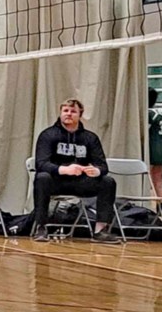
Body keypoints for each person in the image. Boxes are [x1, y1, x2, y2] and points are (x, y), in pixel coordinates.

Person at [31, 99, 122, 244]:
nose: (69, 114)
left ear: (80, 115)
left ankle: (100, 230)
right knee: (42, 177)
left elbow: (103, 166)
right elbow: (41, 164)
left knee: (107, 181)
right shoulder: (48, 135)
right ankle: (41, 227)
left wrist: (95, 171)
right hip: (57, 181)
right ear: (60, 113)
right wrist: (65, 170)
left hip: (80, 181)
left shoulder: (90, 138)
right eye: (65, 111)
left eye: (73, 111)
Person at [147, 87, 162, 214]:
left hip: (152, 148)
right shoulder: (159, 113)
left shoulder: (148, 114)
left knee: (147, 178)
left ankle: (150, 209)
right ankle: (161, 213)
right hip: (161, 147)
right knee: (158, 181)